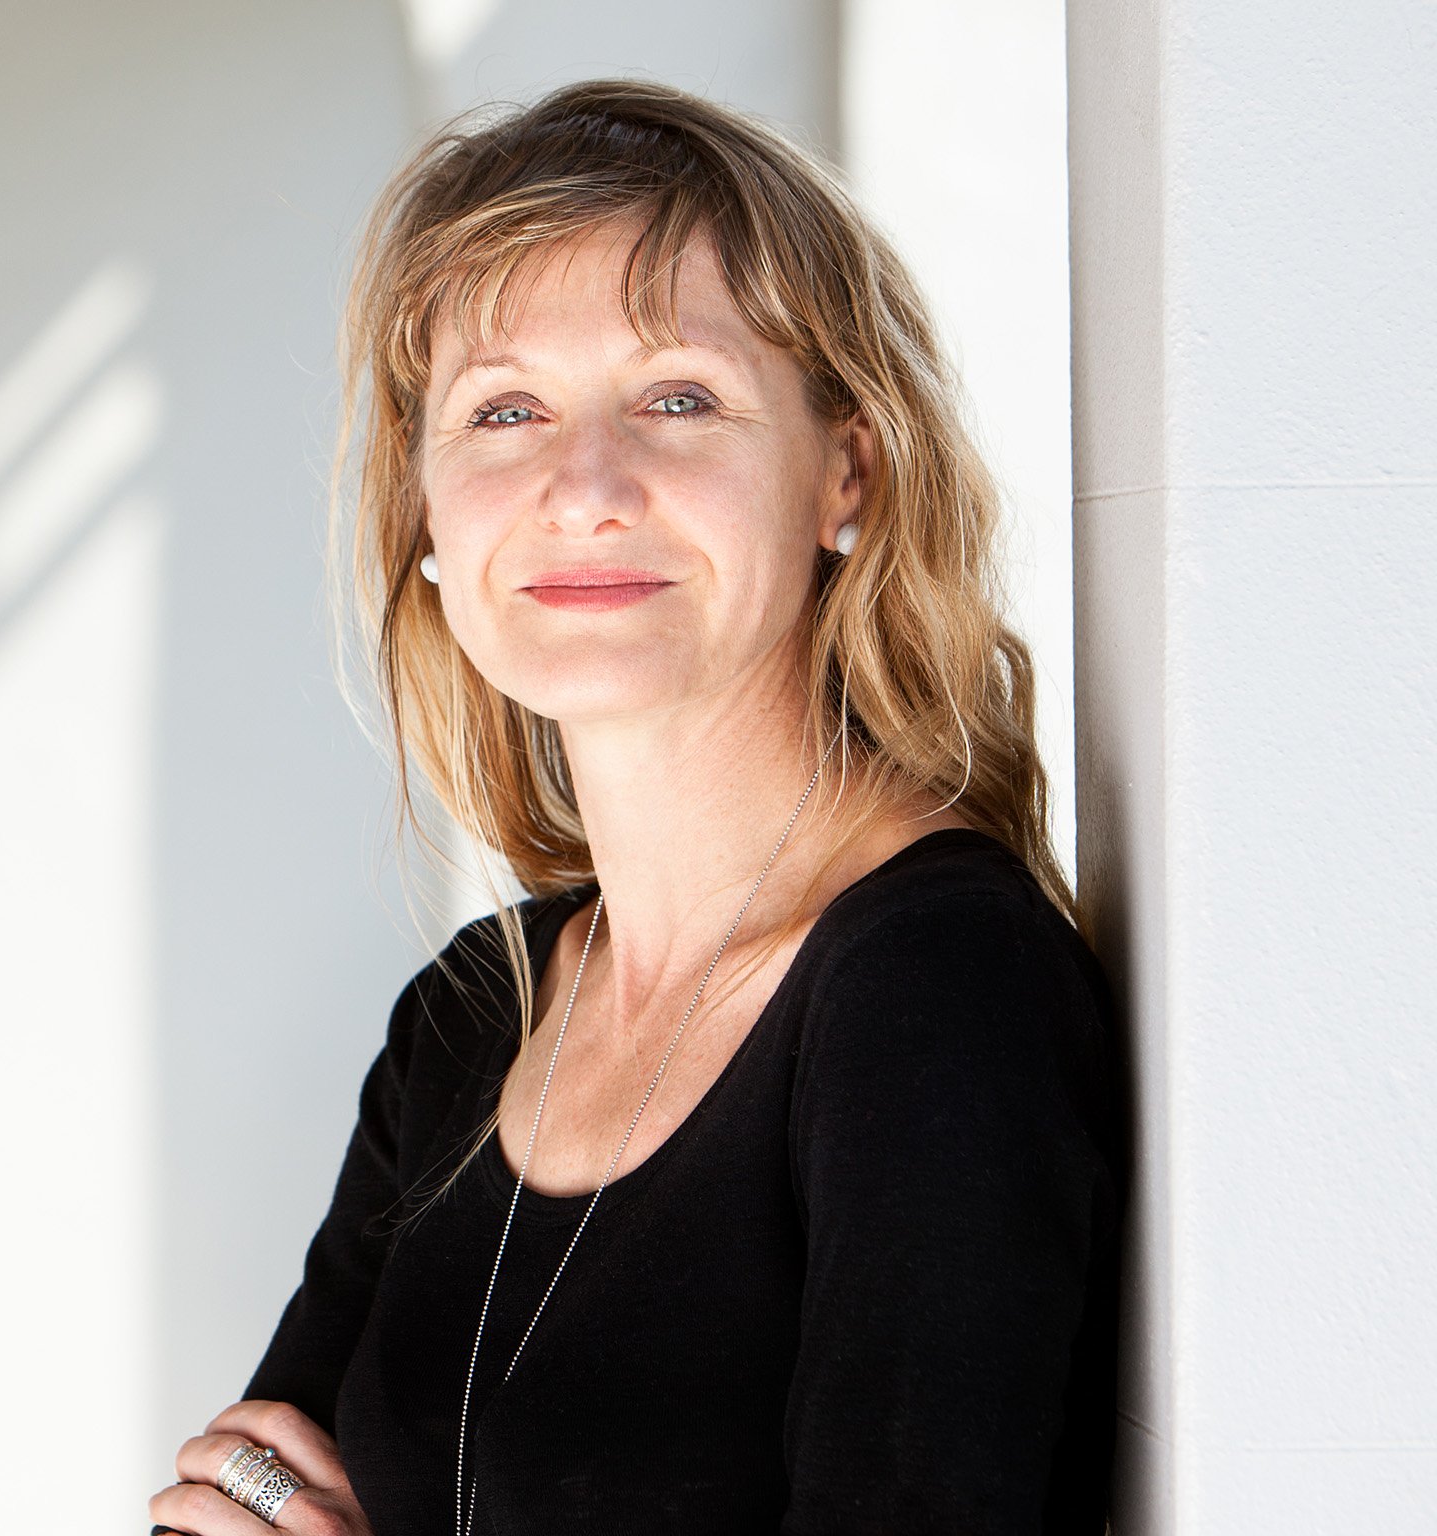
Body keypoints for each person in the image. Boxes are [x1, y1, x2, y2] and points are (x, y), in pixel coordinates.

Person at [148, 77, 1127, 1536]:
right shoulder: (474, 1019)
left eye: (678, 398)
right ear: (425, 512)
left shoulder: (934, 994)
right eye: (504, 410)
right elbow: (232, 1498)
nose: (584, 486)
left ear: (843, 475)